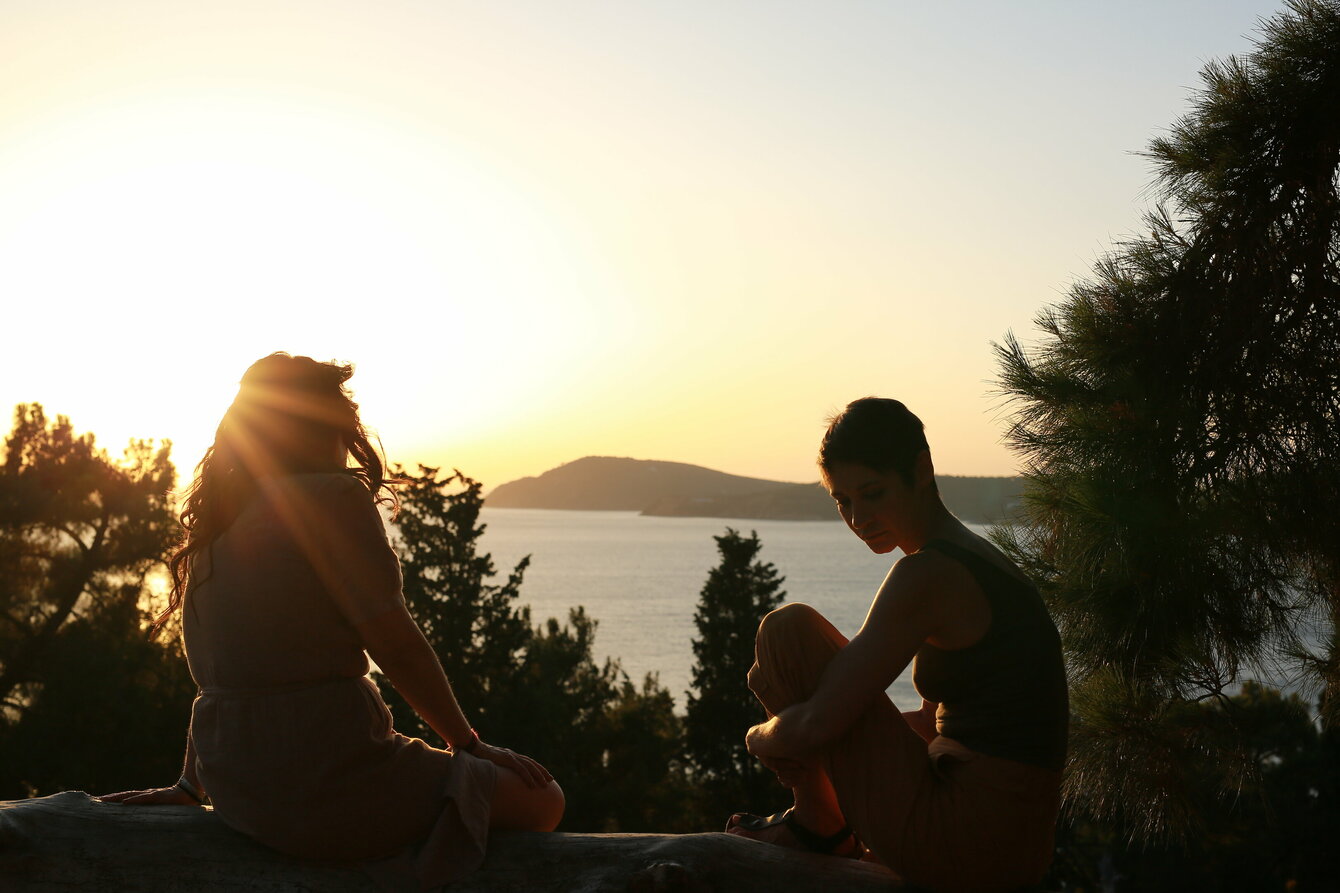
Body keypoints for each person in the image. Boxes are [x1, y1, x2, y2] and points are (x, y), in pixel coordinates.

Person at [99, 353, 564, 888]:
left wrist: (190, 785)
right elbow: (397, 646)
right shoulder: (332, 497)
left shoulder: (216, 524)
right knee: (543, 800)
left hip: (242, 793)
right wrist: (468, 744)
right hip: (331, 778)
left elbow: (225, 675)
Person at [726, 397, 1068, 893]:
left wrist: (760, 738)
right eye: (843, 501)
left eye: (873, 493)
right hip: (1005, 848)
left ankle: (818, 828)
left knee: (788, 634)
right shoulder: (970, 559)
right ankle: (818, 823)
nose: (858, 517)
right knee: (798, 657)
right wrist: (819, 739)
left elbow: (818, 723)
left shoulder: (929, 574)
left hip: (970, 847)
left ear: (922, 469)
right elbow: (930, 725)